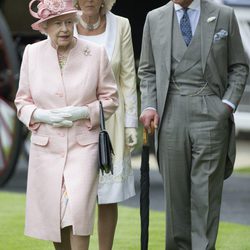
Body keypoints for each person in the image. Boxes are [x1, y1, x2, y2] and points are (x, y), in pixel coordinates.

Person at [138, 0, 249, 249]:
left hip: (211, 110)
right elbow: (147, 70)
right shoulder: (154, 18)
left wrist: (226, 106)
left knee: (206, 195)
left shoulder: (224, 15)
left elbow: (239, 66)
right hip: (170, 112)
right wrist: (149, 105)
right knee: (175, 198)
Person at [14, 0, 118, 249]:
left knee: (78, 211)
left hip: (83, 146)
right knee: (55, 218)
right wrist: (41, 116)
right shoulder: (32, 53)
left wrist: (84, 111)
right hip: (46, 148)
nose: (65, 29)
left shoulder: (95, 53)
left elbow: (111, 99)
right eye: (58, 23)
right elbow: (21, 102)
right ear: (45, 27)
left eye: (69, 23)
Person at [73, 1, 138, 249]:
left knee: (108, 197)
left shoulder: (121, 25)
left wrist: (131, 123)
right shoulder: (68, 24)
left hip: (112, 121)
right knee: (78, 196)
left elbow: (128, 77)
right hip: (77, 120)